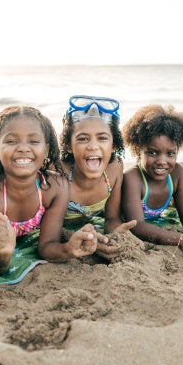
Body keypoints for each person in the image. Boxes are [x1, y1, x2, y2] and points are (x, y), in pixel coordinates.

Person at [0, 105, 98, 275]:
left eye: (34, 141)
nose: (23, 148)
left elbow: (47, 246)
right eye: (11, 141)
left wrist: (69, 249)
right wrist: (3, 254)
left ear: (46, 151)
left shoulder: (56, 187)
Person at [121, 104, 183, 268]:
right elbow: (137, 226)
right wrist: (182, 240)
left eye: (170, 154)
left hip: (157, 224)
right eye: (152, 152)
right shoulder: (132, 178)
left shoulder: (177, 173)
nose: (162, 160)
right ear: (138, 149)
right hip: (137, 227)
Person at [59, 95, 137, 260]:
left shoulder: (115, 167)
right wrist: (81, 239)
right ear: (68, 145)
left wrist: (114, 233)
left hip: (87, 229)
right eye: (83, 139)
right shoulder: (58, 172)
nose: (93, 146)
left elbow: (112, 218)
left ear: (114, 144)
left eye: (102, 138)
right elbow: (44, 226)